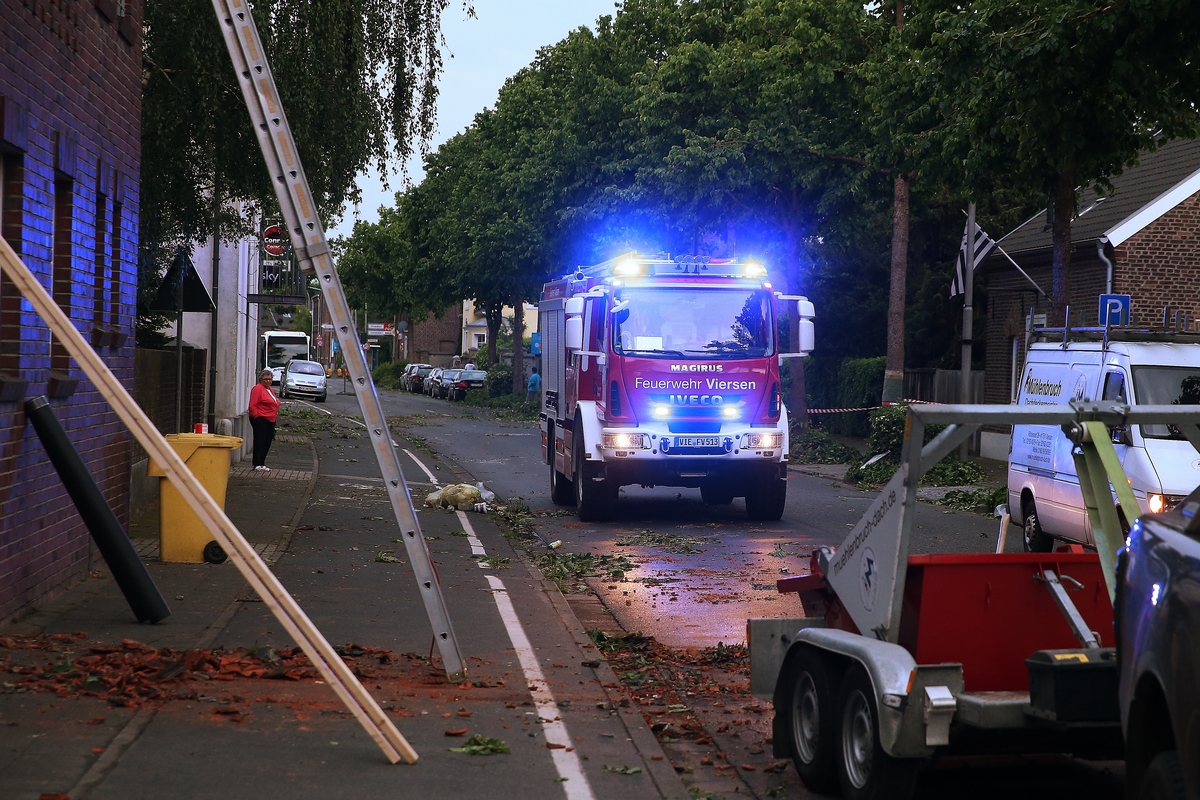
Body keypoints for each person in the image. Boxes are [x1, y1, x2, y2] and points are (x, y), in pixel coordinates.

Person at [249, 368, 280, 471]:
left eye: (270, 379)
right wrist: (256, 416)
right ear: (261, 379)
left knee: (267, 441)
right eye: (266, 379)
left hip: (270, 419)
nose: (268, 381)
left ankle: (262, 463)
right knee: (259, 440)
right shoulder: (258, 389)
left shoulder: (270, 389)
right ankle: (256, 463)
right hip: (261, 418)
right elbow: (253, 405)